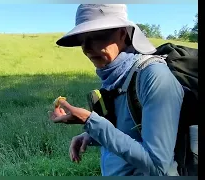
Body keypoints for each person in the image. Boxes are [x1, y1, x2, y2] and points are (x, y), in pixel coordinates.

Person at [48, 4, 184, 176]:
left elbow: (158, 165)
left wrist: (90, 121)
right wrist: (91, 136)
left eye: (96, 36)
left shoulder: (154, 76)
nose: (86, 48)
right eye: (82, 39)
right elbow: (129, 134)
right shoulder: (116, 76)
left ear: (122, 33)